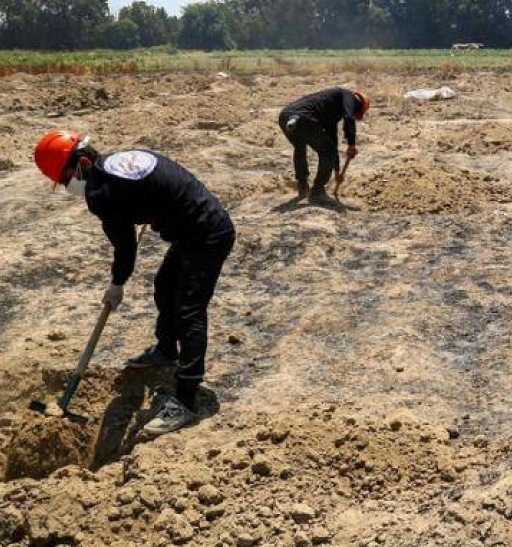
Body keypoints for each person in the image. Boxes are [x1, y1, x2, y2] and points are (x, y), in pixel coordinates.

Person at [33, 130, 235, 436]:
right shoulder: (113, 164)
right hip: (193, 228)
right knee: (165, 285)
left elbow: (125, 247)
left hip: (207, 234)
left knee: (189, 311)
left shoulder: (101, 192)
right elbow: (148, 194)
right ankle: (166, 350)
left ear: (83, 163)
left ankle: (186, 398)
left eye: (64, 179)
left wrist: (117, 284)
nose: (65, 186)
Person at [277, 88, 370, 203]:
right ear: (358, 106)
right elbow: (348, 117)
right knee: (327, 151)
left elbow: (332, 141)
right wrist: (351, 144)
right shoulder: (348, 95)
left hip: (285, 116)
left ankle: (303, 187)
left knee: (301, 146)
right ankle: (317, 191)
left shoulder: (331, 110)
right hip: (303, 117)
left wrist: (336, 171)